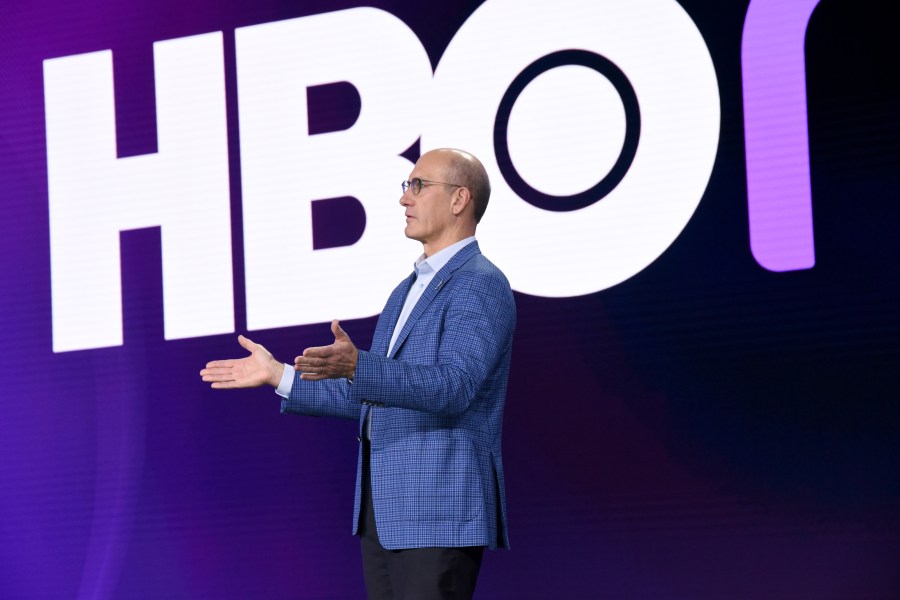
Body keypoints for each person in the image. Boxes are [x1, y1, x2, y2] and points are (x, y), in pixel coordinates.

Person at [200, 148, 516, 600]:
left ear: (459, 199)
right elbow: (372, 394)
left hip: (436, 510)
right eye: (406, 186)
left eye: (418, 185)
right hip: (383, 514)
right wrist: (279, 375)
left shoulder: (479, 283)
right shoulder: (405, 291)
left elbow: (454, 387)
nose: (405, 198)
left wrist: (360, 366)